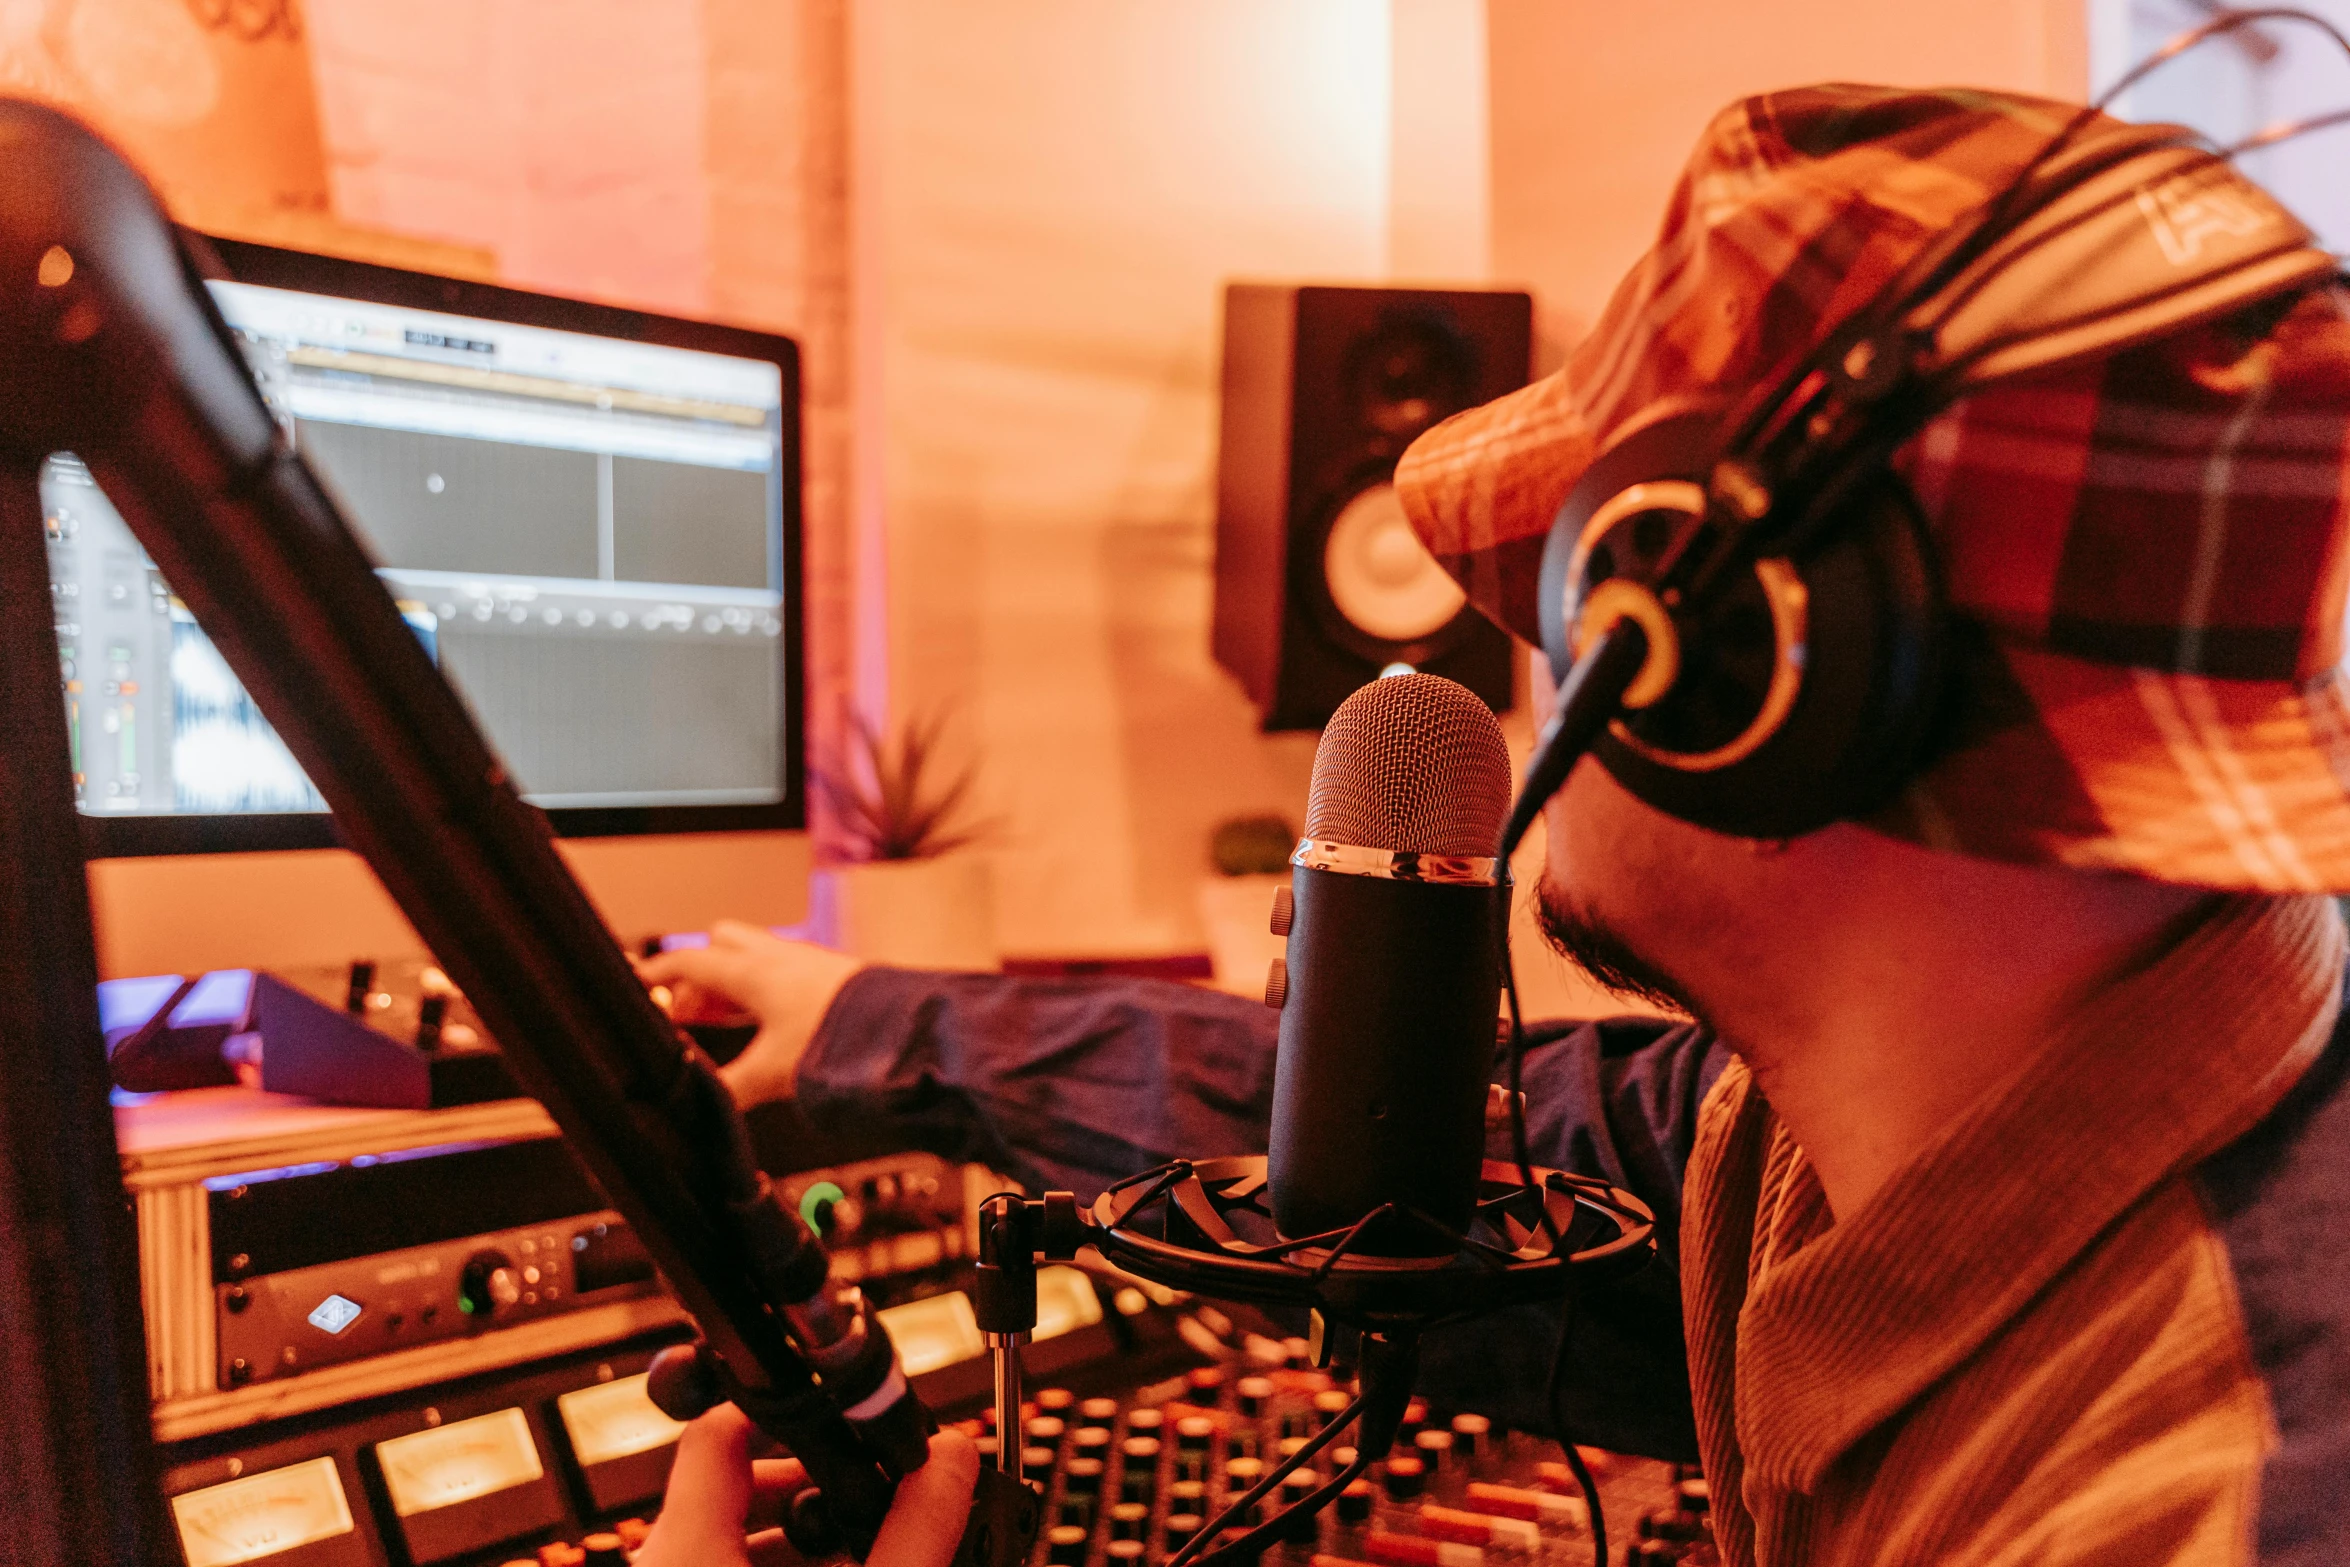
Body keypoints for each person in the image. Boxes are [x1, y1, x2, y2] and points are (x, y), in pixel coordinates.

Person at [638, 84, 2350, 1567]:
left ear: (1729, 670)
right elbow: (1448, 1154)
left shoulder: (2212, 1497)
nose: (1527, 661)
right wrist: (882, 1021)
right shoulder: (1898, 1099)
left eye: (1558, 579)